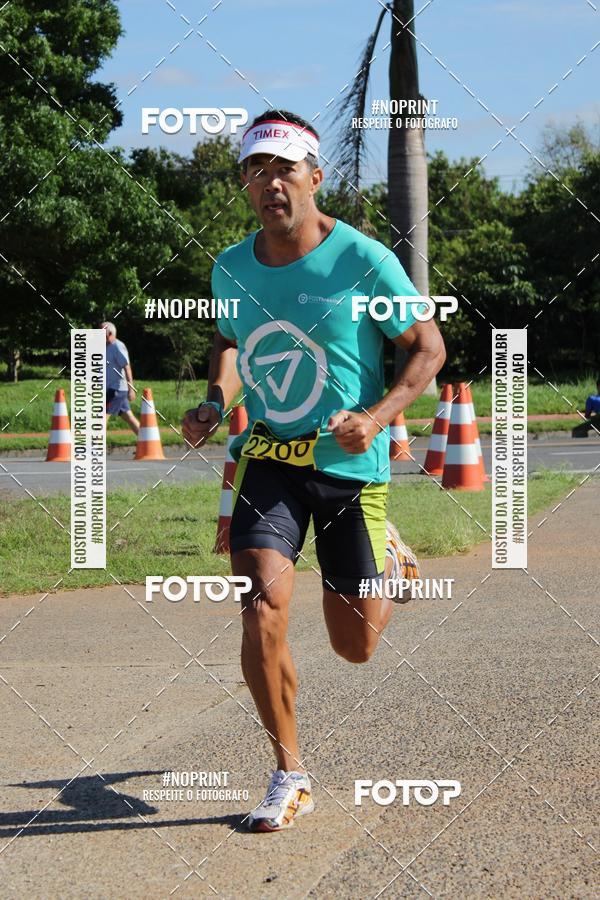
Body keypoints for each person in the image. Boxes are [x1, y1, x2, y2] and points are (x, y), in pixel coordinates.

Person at [182, 110, 445, 832]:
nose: (271, 183)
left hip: (348, 466)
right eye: (256, 171)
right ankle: (289, 771)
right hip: (270, 458)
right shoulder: (231, 267)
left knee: (354, 646)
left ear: (315, 177)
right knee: (260, 606)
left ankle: (385, 552)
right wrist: (214, 402)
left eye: (285, 169)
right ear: (245, 184)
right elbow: (231, 343)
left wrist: (380, 417)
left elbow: (427, 346)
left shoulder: (363, 259)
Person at [101, 322, 139, 435]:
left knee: (101, 417)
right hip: (111, 389)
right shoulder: (105, 347)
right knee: (129, 417)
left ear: (110, 334)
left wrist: (131, 389)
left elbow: (127, 368)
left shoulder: (118, 346)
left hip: (117, 390)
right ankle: (147, 441)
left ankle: (95, 445)